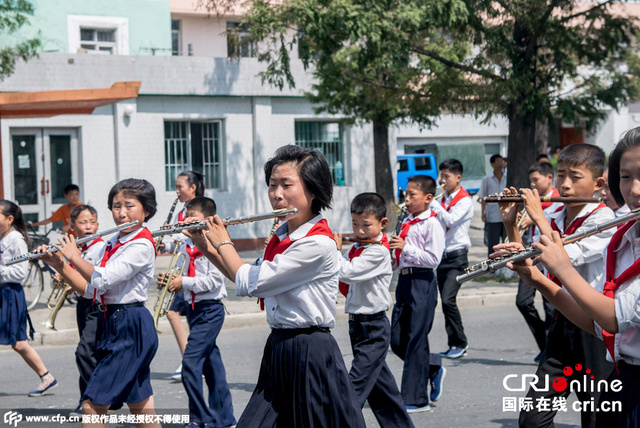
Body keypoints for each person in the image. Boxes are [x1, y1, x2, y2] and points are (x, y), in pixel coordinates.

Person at [187, 145, 365, 427]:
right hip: (279, 347)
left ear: (313, 190)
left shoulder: (317, 244)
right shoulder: (282, 236)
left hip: (310, 352)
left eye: (286, 185)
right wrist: (206, 247)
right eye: (272, 185)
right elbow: (244, 276)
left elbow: (251, 282)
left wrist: (223, 240)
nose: (277, 195)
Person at [506, 126, 640, 427]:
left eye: (574, 177)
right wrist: (513, 227)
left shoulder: (605, 221)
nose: (634, 191)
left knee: (593, 417)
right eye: (627, 177)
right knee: (532, 419)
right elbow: (543, 265)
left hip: (601, 335)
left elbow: (612, 316)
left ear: (598, 183)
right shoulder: (624, 236)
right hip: (576, 321)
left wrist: (539, 219)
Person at [36, 178, 160, 428]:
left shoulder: (141, 244)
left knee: (92, 404)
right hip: (112, 320)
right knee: (141, 405)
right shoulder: (115, 241)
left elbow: (102, 279)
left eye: (129, 206)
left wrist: (72, 255)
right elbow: (90, 289)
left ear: (146, 211)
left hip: (130, 323)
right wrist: (58, 263)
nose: (121, 213)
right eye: (116, 206)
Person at [333, 192, 415, 428]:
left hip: (374, 327)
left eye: (366, 225)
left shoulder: (378, 252)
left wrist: (334, 251)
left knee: (353, 386)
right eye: (354, 224)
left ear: (383, 224)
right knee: (383, 392)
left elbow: (347, 272)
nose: (359, 231)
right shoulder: (357, 248)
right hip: (357, 324)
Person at [158, 196, 235, 428]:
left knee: (190, 364)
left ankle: (201, 418)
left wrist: (184, 282)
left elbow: (214, 281)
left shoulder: (214, 243)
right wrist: (170, 275)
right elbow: (170, 246)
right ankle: (225, 418)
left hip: (210, 310)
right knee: (213, 367)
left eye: (194, 216)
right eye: (187, 215)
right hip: (194, 310)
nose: (188, 220)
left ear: (208, 219)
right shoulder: (186, 241)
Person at [389, 174, 445, 414]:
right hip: (404, 281)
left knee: (415, 340)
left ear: (428, 198)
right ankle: (433, 366)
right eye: (406, 194)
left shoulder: (432, 223)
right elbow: (397, 257)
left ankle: (416, 399)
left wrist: (405, 248)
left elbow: (433, 259)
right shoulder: (405, 222)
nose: (407, 199)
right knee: (398, 339)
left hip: (422, 282)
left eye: (412, 195)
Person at [0, 200, 58, 397]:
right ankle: (46, 376)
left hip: (10, 295)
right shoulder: (2, 236)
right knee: (18, 343)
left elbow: (19, 274)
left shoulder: (16, 240)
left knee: (18, 342)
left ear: (9, 219)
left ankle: (47, 376)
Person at [512, 162, 559, 361]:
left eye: (536, 180)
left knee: (552, 307)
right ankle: (545, 343)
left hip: (551, 258)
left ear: (549, 178)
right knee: (522, 301)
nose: (532, 184)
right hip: (531, 255)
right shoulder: (533, 201)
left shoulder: (559, 201)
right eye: (530, 180)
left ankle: (553, 351)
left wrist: (538, 217)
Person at [65, 204, 108, 417]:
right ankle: (86, 400)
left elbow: (96, 277)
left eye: (92, 222)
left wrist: (73, 280)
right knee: (88, 353)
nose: (88, 227)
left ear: (98, 224)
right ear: (73, 226)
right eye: (83, 223)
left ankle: (99, 398)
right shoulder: (75, 248)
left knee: (85, 352)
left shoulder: (100, 247)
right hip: (81, 305)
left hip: (96, 305)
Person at [429, 159, 473, 359]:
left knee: (448, 300)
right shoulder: (442, 199)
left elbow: (451, 220)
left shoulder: (464, 200)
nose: (442, 180)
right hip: (442, 257)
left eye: (446, 176)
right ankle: (453, 343)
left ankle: (461, 343)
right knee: (445, 302)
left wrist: (433, 205)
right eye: (441, 176)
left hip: (457, 257)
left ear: (458, 178)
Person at [164, 170, 205, 381]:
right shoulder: (183, 211)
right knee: (185, 316)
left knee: (172, 312)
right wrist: (164, 242)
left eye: (180, 186)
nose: (177, 190)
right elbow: (179, 241)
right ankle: (193, 359)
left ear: (192, 188)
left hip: (193, 272)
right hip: (182, 269)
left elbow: (191, 236)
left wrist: (173, 235)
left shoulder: (198, 210)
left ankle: (189, 360)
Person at [477, 154, 507, 258]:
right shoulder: (487, 179)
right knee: (493, 242)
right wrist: (483, 212)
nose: (500, 163)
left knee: (507, 241)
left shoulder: (508, 177)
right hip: (493, 215)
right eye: (498, 161)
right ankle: (492, 263)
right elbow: (483, 197)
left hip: (507, 215)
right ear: (492, 164)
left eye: (501, 161)